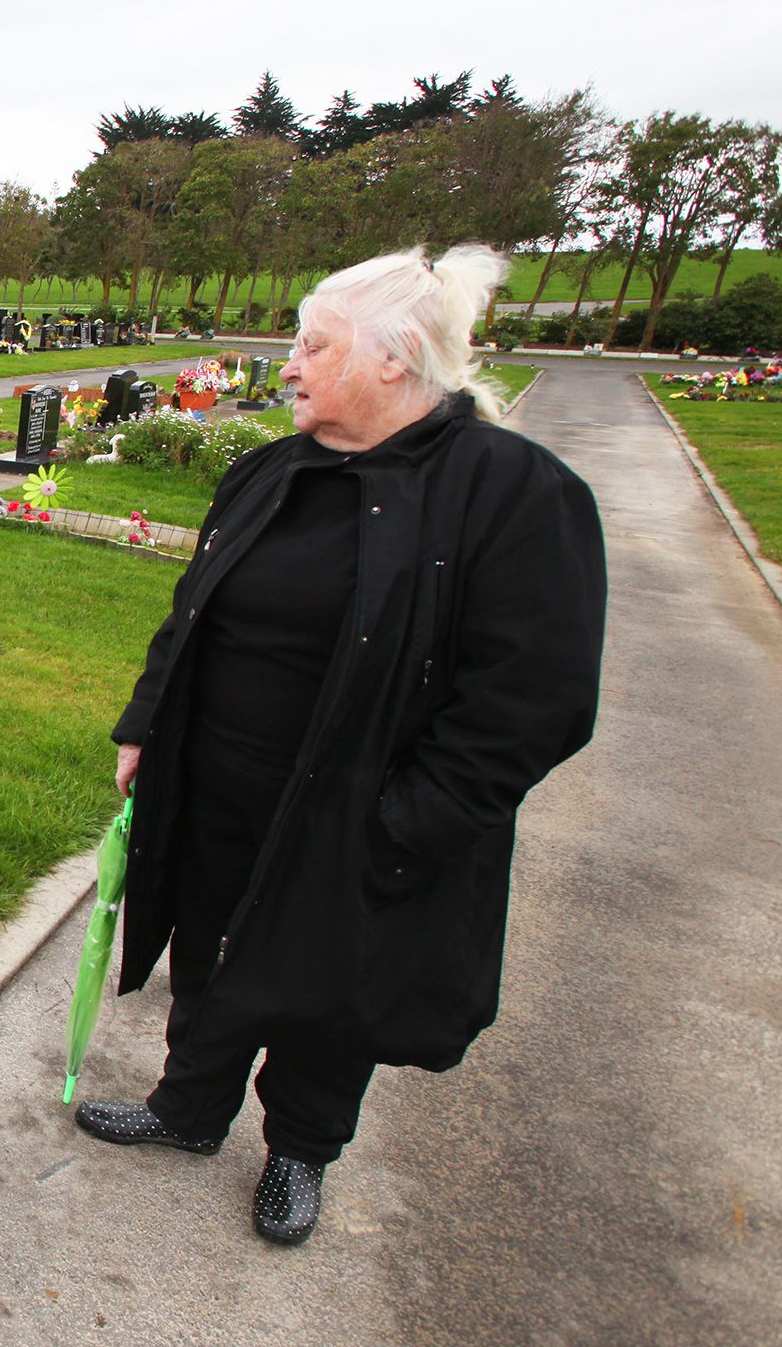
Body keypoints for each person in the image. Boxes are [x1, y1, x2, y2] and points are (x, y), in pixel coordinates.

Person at [74, 245, 606, 1246]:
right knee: (209, 948)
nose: (289, 364)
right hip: (223, 778)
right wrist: (147, 725)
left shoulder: (512, 493)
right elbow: (191, 614)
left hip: (365, 807)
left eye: (314, 345)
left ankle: (298, 1154)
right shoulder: (270, 471)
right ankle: (187, 1109)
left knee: (332, 993)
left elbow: (534, 699)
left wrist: (409, 823)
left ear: (394, 360)